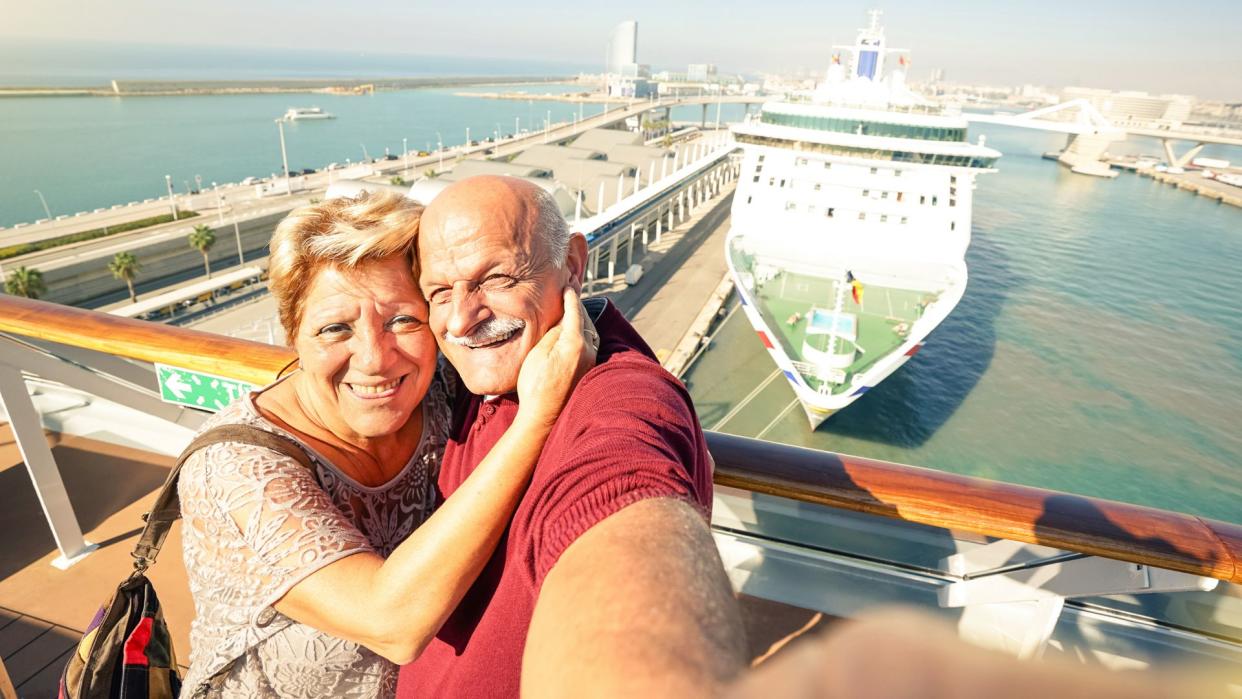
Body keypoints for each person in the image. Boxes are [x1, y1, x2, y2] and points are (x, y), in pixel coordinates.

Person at [177, 190, 594, 697]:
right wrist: (537, 419)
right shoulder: (236, 469)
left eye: (402, 320)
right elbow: (391, 623)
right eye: (335, 328)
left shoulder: (442, 390)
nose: (375, 358)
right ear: (293, 335)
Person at [398, 175, 747, 698]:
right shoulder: (480, 373)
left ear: (574, 265)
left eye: (495, 277)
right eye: (441, 292)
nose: (463, 318)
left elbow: (621, 490)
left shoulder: (623, 396)